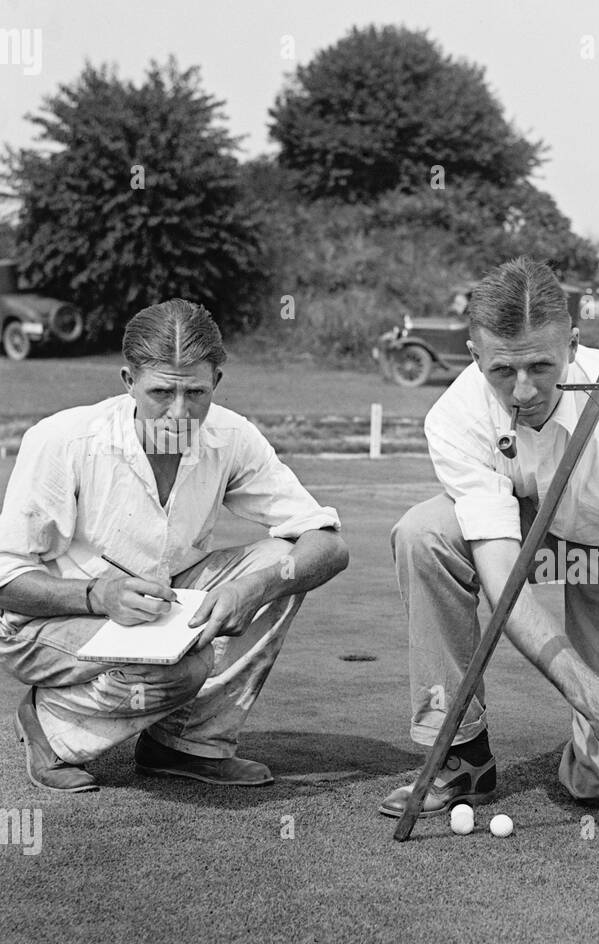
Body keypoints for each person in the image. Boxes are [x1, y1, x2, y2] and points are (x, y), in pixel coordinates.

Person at [382, 257, 599, 841]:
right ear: (475, 356)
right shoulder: (454, 415)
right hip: (525, 535)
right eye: (503, 370)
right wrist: (593, 699)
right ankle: (462, 752)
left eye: (542, 365)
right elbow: (502, 576)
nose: (523, 391)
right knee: (423, 534)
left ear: (573, 344)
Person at [0, 298, 348, 792]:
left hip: (157, 604)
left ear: (217, 383)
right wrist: (98, 596)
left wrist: (256, 587)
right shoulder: (63, 440)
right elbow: (6, 581)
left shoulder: (231, 435)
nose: (180, 413)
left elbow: (329, 545)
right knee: (181, 669)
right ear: (128, 381)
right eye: (162, 391)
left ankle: (184, 745)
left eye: (196, 393)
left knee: (284, 561)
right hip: (43, 624)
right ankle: (51, 727)